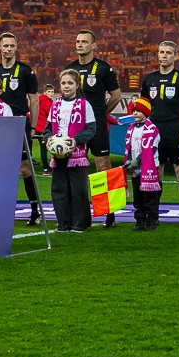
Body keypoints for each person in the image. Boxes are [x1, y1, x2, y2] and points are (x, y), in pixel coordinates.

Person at [62, 30, 120, 227]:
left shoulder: (103, 68)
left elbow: (116, 96)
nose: (79, 44)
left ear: (93, 45)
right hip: (75, 127)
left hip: (97, 126)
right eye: (78, 41)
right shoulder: (70, 68)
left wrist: (100, 115)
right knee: (73, 167)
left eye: (84, 42)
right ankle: (77, 213)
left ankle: (109, 214)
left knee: (102, 167)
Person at [0, 33, 41, 224]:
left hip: (19, 123)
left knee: (25, 169)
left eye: (11, 46)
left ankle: (34, 211)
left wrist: (32, 126)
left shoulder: (25, 71)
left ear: (16, 48)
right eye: (5, 46)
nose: (8, 49)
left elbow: (34, 100)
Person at [140, 41, 179, 225]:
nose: (164, 55)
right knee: (156, 173)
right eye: (161, 52)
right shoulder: (149, 79)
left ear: (175, 56)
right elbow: (143, 107)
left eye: (168, 53)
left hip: (175, 129)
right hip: (154, 130)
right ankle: (154, 215)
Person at [44, 69, 96, 233]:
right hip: (58, 154)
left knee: (78, 190)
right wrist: (48, 140)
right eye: (63, 83)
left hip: (77, 154)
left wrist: (76, 140)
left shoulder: (85, 105)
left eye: (70, 83)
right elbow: (47, 129)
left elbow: (91, 129)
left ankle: (79, 224)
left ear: (77, 85)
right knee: (59, 189)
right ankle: (63, 223)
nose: (66, 86)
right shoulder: (55, 105)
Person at [123, 98, 163, 231]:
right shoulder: (131, 129)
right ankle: (140, 220)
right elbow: (128, 147)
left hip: (149, 168)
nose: (135, 113)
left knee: (150, 196)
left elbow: (151, 149)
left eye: (138, 111)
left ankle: (152, 220)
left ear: (145, 112)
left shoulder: (152, 129)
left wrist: (137, 161)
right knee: (138, 196)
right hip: (135, 169)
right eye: (133, 110)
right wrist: (129, 160)